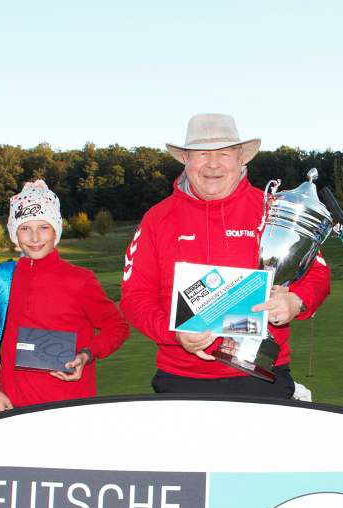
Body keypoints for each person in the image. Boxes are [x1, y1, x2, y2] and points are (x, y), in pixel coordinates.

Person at [119, 113, 331, 397]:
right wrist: (174, 334)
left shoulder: (274, 209)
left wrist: (296, 301)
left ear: (241, 158)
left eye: (224, 153)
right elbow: (134, 297)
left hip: (262, 376)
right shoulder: (156, 219)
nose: (213, 164)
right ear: (186, 160)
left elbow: (318, 274)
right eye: (202, 154)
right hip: (181, 378)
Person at [0, 180, 129, 410]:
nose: (35, 238)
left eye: (43, 227)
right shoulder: (1, 279)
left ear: (56, 230)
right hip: (11, 408)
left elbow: (117, 327)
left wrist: (86, 354)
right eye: (25, 228)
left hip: (69, 408)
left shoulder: (80, 280)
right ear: (15, 233)